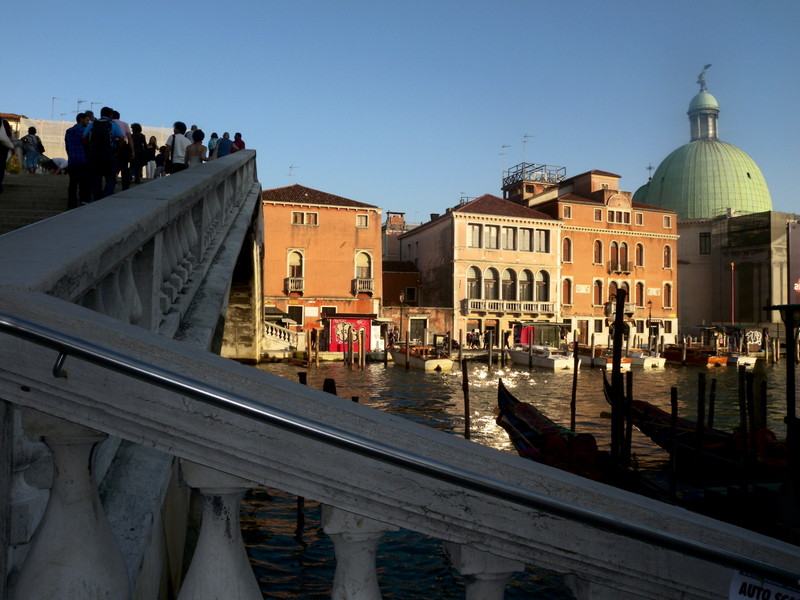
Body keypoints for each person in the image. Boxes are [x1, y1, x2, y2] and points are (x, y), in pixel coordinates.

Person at [82, 106, 125, 200]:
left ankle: (97, 198)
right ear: (110, 115)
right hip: (108, 152)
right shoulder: (112, 124)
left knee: (96, 178)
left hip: (94, 153)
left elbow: (84, 137)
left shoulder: (93, 124)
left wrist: (88, 149)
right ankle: (106, 195)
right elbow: (121, 138)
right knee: (111, 177)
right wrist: (117, 150)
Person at [64, 113, 91, 207]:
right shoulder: (85, 131)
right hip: (83, 159)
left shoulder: (68, 131)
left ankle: (71, 203)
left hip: (72, 160)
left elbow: (67, 146)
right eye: (86, 120)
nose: (88, 122)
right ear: (81, 119)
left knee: (73, 183)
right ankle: (84, 200)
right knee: (84, 182)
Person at [112, 110, 134, 189]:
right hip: (124, 146)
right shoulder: (124, 124)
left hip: (112, 145)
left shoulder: (110, 123)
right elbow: (129, 138)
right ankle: (125, 186)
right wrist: (132, 151)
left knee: (112, 166)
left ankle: (112, 184)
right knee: (124, 167)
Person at [0, 117, 14, 193]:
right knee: (1, 166)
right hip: (2, 147)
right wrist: (13, 148)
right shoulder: (4, 122)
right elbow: (9, 136)